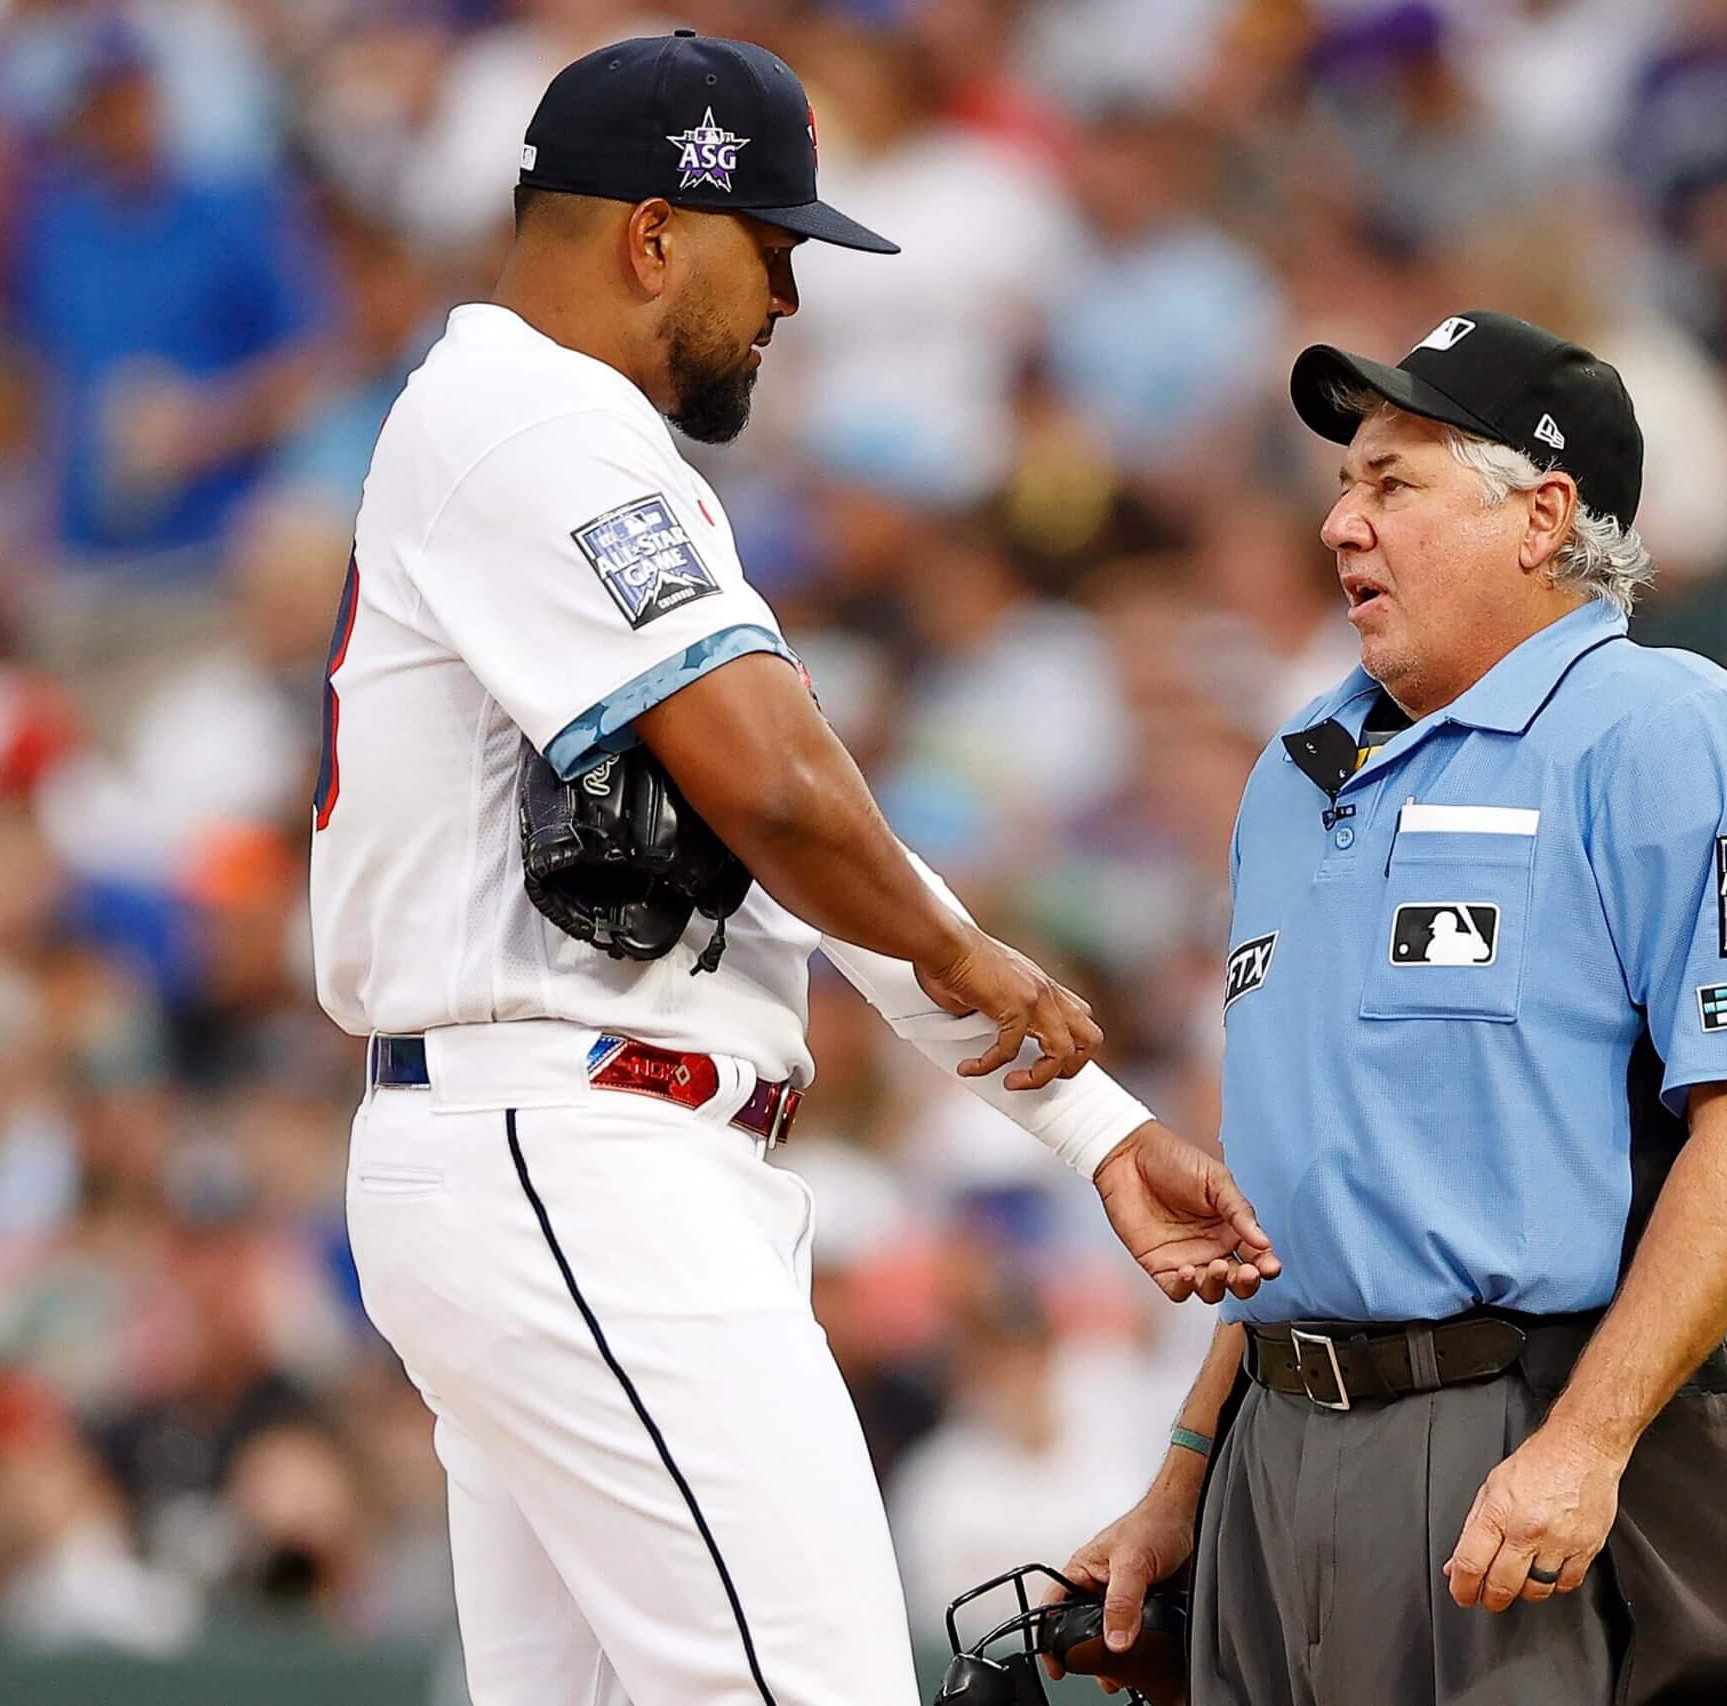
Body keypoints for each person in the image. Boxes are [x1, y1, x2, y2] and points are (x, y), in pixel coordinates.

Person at [307, 34, 1277, 1706]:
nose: (794, 298)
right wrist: (984, 971)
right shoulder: (529, 420)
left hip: (564, 1147)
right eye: (775, 246)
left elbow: (805, 843)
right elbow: (785, 794)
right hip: (574, 1150)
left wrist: (1093, 1124)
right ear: (652, 236)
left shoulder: (548, 438)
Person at [1052, 311, 1727, 1703]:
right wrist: (1184, 1474)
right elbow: (1304, 1193)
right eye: (1341, 485)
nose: (1340, 527)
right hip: (1274, 1454)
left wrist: (1588, 1444)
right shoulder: (1295, 774)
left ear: (1543, 516)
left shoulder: (1672, 728)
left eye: (1391, 483)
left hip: (1513, 1441)